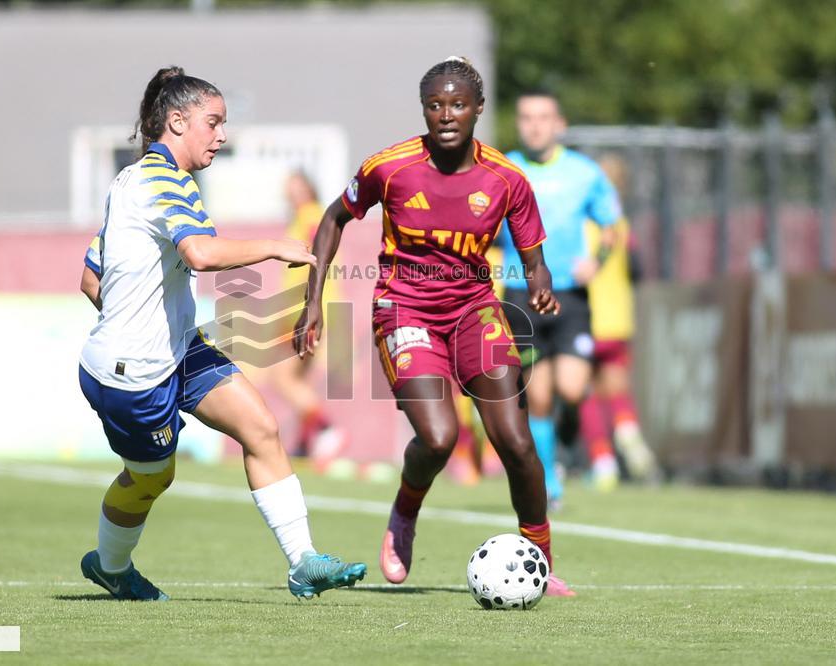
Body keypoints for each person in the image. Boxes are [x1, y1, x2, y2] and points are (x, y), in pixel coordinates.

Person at [77, 66, 365, 601]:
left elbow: (90, 277)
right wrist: (274, 247)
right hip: (132, 374)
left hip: (179, 348)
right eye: (214, 123)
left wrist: (146, 318)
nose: (222, 135)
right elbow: (202, 254)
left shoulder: (138, 180)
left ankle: (304, 562)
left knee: (261, 427)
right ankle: (111, 566)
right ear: (178, 121)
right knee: (151, 479)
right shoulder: (161, 180)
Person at [295, 57, 574, 596]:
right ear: (424, 109)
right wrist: (312, 302)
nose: (446, 114)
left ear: (479, 109)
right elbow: (332, 218)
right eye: (435, 105)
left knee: (515, 442)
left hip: (474, 309)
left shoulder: (507, 178)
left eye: (458, 104)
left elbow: (532, 254)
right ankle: (405, 509)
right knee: (440, 436)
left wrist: (540, 282)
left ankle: (539, 559)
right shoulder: (391, 167)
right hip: (405, 310)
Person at [496, 89, 622, 507]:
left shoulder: (585, 173)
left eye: (543, 117)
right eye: (527, 117)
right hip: (521, 292)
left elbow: (611, 227)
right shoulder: (502, 169)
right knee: (539, 396)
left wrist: (598, 261)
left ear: (559, 124)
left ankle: (568, 442)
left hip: (570, 294)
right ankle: (549, 481)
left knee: (571, 388)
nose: (535, 125)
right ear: (519, 124)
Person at [580, 153, 657, 489]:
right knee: (617, 387)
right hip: (619, 318)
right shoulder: (621, 225)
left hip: (585, 318)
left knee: (587, 393)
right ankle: (628, 433)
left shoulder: (580, 224)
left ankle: (603, 462)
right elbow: (637, 270)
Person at [266, 171, 346, 467]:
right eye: (290, 188)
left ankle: (326, 429)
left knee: (282, 377)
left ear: (310, 188)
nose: (292, 193)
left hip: (305, 310)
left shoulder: (312, 215)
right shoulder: (300, 218)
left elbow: (320, 250)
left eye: (297, 187)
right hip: (299, 310)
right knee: (298, 378)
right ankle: (303, 443)